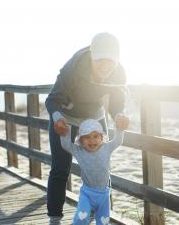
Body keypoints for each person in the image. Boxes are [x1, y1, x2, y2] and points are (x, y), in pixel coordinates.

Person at [45, 32, 129, 224]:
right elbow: (52, 100)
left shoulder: (118, 71)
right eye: (100, 61)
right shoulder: (73, 68)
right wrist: (58, 119)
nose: (105, 66)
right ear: (92, 56)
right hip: (65, 118)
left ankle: (100, 215)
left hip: (94, 116)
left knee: (102, 166)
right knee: (60, 167)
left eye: (110, 61)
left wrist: (119, 115)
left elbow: (117, 103)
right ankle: (54, 218)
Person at [60, 117, 128, 225]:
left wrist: (119, 128)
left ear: (101, 137)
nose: (92, 141)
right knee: (81, 218)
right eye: (87, 137)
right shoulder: (79, 151)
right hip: (87, 194)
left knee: (103, 221)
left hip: (104, 196)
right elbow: (66, 145)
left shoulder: (107, 148)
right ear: (81, 140)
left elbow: (118, 141)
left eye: (95, 136)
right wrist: (64, 132)